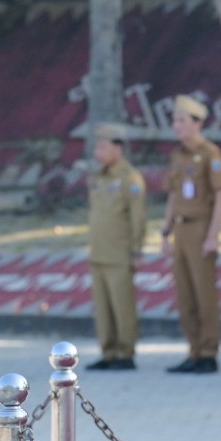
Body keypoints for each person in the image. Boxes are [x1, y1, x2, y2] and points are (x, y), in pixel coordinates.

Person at [162, 95, 221, 374]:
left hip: (201, 227)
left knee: (204, 294)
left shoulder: (210, 154)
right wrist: (166, 231)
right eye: (175, 120)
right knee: (185, 294)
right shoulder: (177, 155)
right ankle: (193, 350)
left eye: (182, 120)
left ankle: (208, 352)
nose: (176, 126)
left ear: (198, 123)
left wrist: (213, 235)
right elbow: (174, 195)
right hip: (181, 227)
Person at [87, 122, 147, 371]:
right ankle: (108, 351)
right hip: (99, 253)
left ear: (118, 149)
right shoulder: (98, 179)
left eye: (103, 146)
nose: (97, 152)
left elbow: (137, 218)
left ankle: (125, 352)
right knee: (103, 309)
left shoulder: (130, 179)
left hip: (119, 254)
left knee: (122, 307)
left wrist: (136, 250)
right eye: (97, 146)